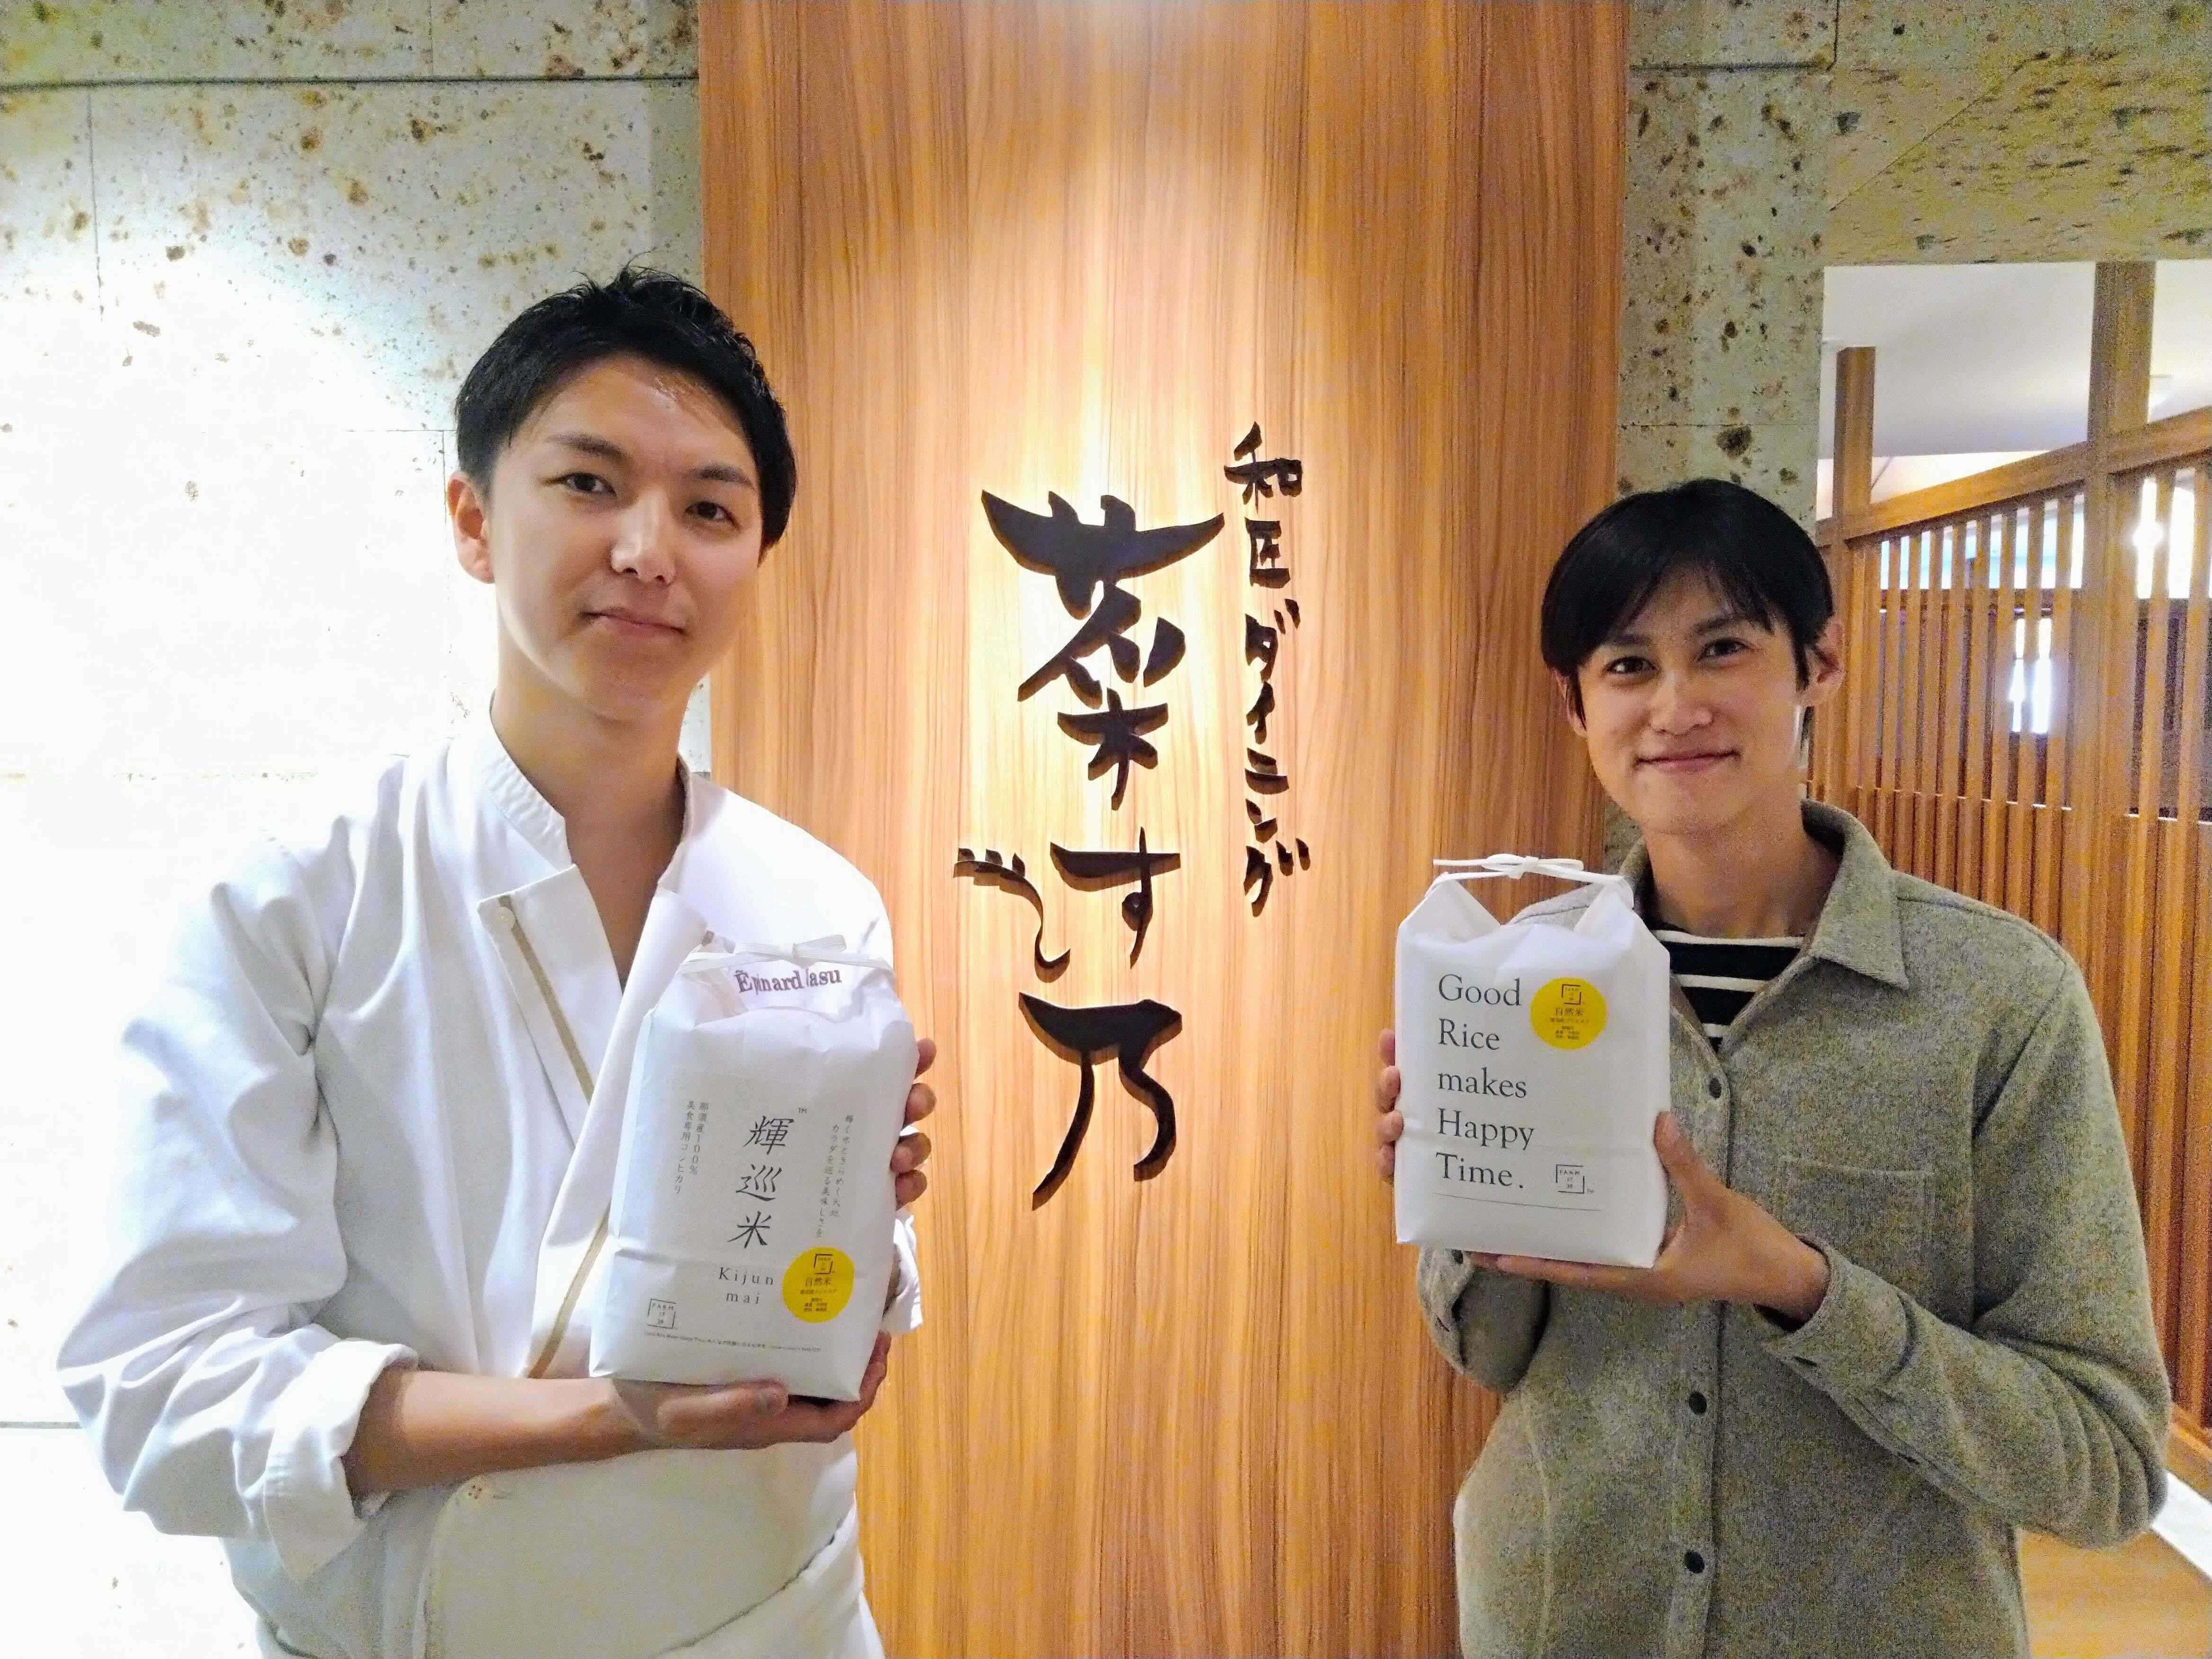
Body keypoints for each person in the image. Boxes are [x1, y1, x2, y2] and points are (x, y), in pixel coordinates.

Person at [58, 268, 935, 1659]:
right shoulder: (302, 889)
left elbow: (821, 1303)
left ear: (758, 559)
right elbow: (167, 1390)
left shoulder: (819, 906)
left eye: (710, 510)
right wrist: (609, 1418)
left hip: (775, 1625)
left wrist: (856, 1225)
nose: (649, 550)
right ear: (473, 520)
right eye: (590, 484)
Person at [1373, 478, 2169, 1659]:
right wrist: (1455, 1189)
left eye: (1722, 649)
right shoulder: (1513, 977)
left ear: (1817, 664)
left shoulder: (1996, 998)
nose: (1675, 706)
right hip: (1561, 1618)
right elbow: (1489, 1358)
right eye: (1627, 665)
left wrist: (1799, 1287)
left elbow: (2102, 1469)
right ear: (1575, 703)